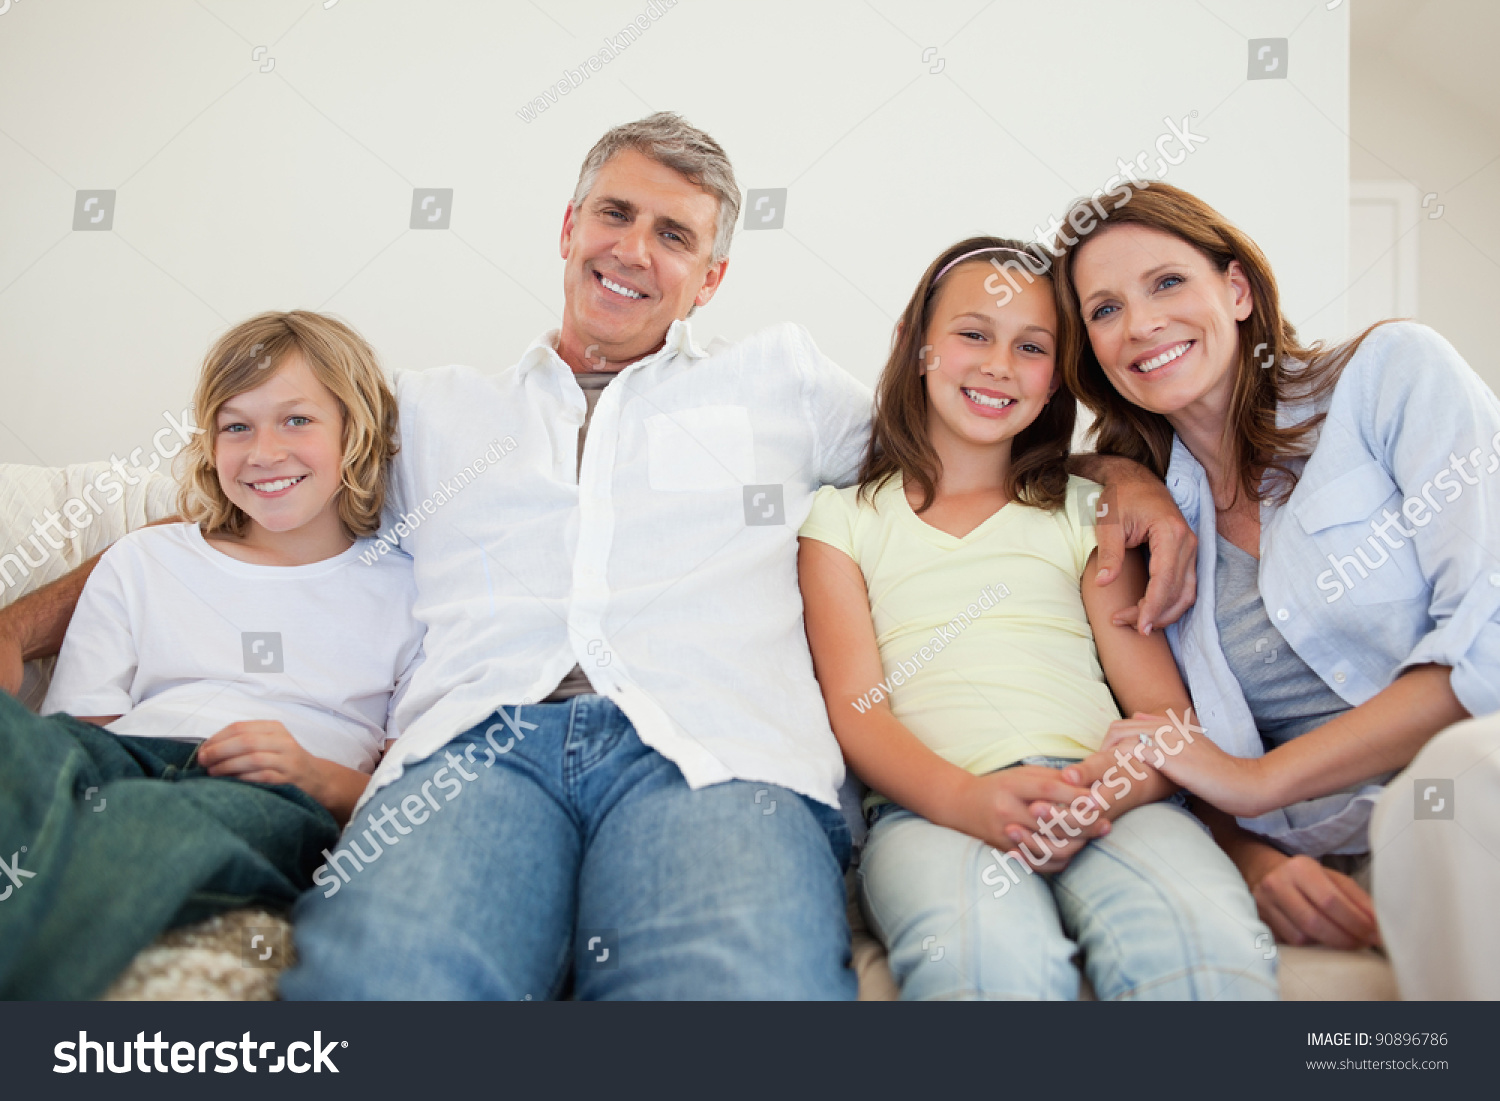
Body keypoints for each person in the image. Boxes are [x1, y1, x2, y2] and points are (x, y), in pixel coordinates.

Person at [0, 114, 1198, 1001]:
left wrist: (1129, 473)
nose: (636, 248)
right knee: (390, 986)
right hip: (478, 752)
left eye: (674, 235)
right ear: (569, 230)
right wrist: (22, 624)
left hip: (715, 758)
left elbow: (967, 434)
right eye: (616, 215)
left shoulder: (780, 383)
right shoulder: (433, 407)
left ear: (711, 275)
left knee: (732, 997)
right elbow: (224, 493)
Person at [798, 237, 1274, 1000]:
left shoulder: (1089, 513)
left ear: (1057, 379)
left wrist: (1103, 790)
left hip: (1108, 797)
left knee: (1204, 944)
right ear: (916, 347)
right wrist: (967, 801)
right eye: (973, 334)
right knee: (986, 966)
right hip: (932, 813)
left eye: (1031, 346)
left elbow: (1164, 712)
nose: (998, 365)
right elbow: (860, 712)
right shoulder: (841, 520)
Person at [1052, 180, 1500, 963]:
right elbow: (1187, 757)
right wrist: (1253, 859)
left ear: (1237, 290)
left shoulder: (1390, 376)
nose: (1143, 323)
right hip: (1335, 847)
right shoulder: (1136, 527)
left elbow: (1488, 639)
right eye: (1105, 309)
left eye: (1166, 282)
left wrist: (1256, 782)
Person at [0, 311, 422, 999]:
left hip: (275, 794)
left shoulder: (408, 589)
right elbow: (72, 740)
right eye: (236, 425)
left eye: (296, 420)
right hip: (117, 760)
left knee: (147, 833)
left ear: (358, 430)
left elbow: (403, 796)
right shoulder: (145, 558)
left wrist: (310, 772)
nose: (263, 451)